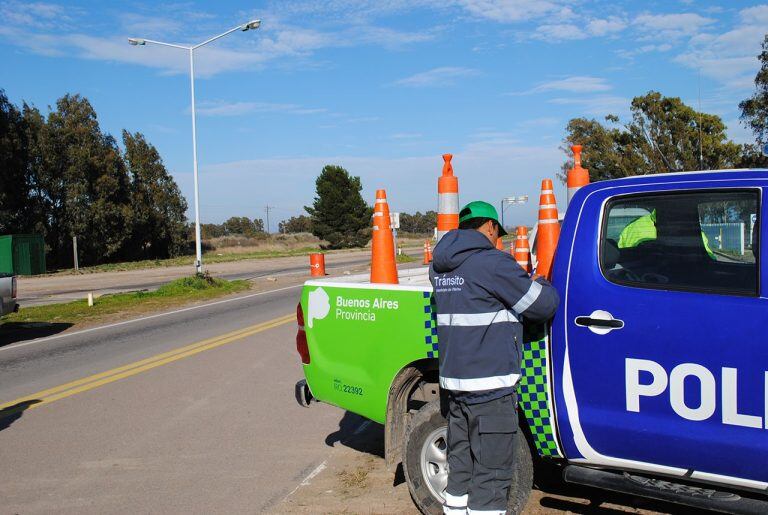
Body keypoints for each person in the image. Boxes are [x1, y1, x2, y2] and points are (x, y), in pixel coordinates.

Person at [429, 201, 559, 514]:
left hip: (455, 389)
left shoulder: (439, 268)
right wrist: (539, 281)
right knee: (492, 477)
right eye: (496, 233)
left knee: (461, 474)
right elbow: (542, 306)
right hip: (490, 390)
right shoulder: (493, 263)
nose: (497, 238)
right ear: (489, 227)